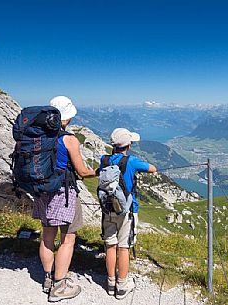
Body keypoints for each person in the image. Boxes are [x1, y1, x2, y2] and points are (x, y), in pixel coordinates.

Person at [32, 96, 97, 302]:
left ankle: (48, 279)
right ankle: (59, 286)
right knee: (68, 238)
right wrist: (100, 171)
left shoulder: (36, 136)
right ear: (66, 117)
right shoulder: (69, 139)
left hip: (42, 191)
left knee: (47, 236)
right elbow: (83, 172)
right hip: (63, 192)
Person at [100, 128, 157, 299]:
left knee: (110, 245)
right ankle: (122, 286)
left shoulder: (104, 159)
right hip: (127, 211)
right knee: (123, 247)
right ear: (129, 144)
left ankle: (110, 283)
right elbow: (153, 168)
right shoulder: (131, 161)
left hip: (107, 208)